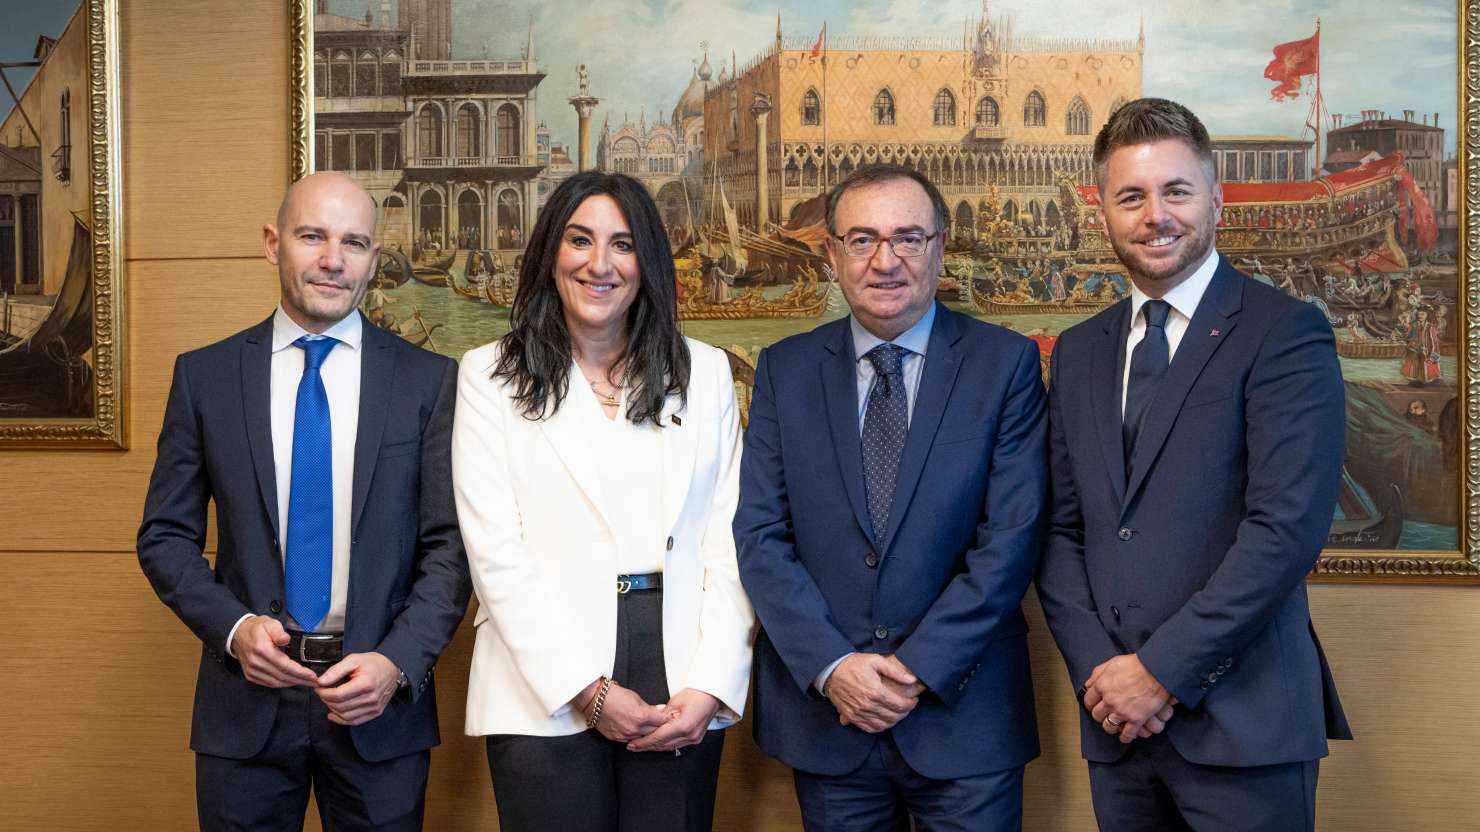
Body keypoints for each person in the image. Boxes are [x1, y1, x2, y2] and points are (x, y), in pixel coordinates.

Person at [1036, 98, 1351, 832]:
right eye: (1131, 197)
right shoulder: (1078, 351)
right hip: (1115, 727)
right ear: (1103, 214)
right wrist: (1104, 681)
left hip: (1244, 727)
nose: (1156, 215)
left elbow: (1285, 533)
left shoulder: (1284, 333)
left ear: (1216, 199)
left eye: (1176, 191)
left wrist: (1160, 675)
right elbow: (1059, 529)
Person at [136, 171, 471, 830]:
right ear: (272, 243)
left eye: (352, 242)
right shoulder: (204, 377)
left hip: (379, 707)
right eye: (312, 236)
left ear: (375, 258)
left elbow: (450, 547)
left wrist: (397, 662)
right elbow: (164, 538)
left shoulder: (428, 381)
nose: (331, 260)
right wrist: (233, 629)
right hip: (246, 705)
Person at [734, 163, 1047, 831]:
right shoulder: (783, 371)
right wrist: (833, 665)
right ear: (831, 254)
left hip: (966, 717)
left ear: (939, 248)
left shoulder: (1007, 366)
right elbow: (761, 535)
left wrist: (916, 669)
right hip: (829, 719)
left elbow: (1012, 538)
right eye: (863, 239)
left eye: (908, 238)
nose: (886, 261)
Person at [452, 171, 754, 832]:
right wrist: (588, 693)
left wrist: (710, 684)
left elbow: (731, 541)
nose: (599, 263)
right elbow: (495, 555)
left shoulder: (703, 373)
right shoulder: (487, 375)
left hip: (680, 671)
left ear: (647, 262)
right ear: (548, 256)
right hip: (544, 677)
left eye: (622, 245)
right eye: (579, 240)